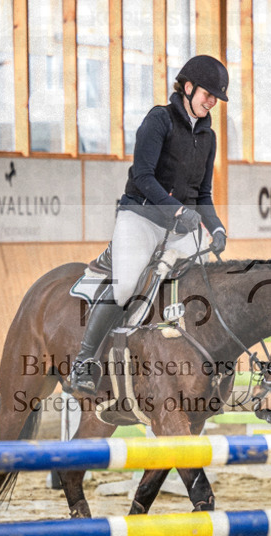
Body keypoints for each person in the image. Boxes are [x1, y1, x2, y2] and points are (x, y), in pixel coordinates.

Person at [70, 54, 229, 394]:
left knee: (204, 277)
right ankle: (84, 361)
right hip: (139, 217)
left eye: (216, 97)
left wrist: (216, 228)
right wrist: (175, 210)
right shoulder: (160, 120)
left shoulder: (209, 136)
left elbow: (203, 193)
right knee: (126, 286)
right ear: (188, 88)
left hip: (179, 227)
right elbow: (142, 177)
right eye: (208, 94)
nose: (212, 101)